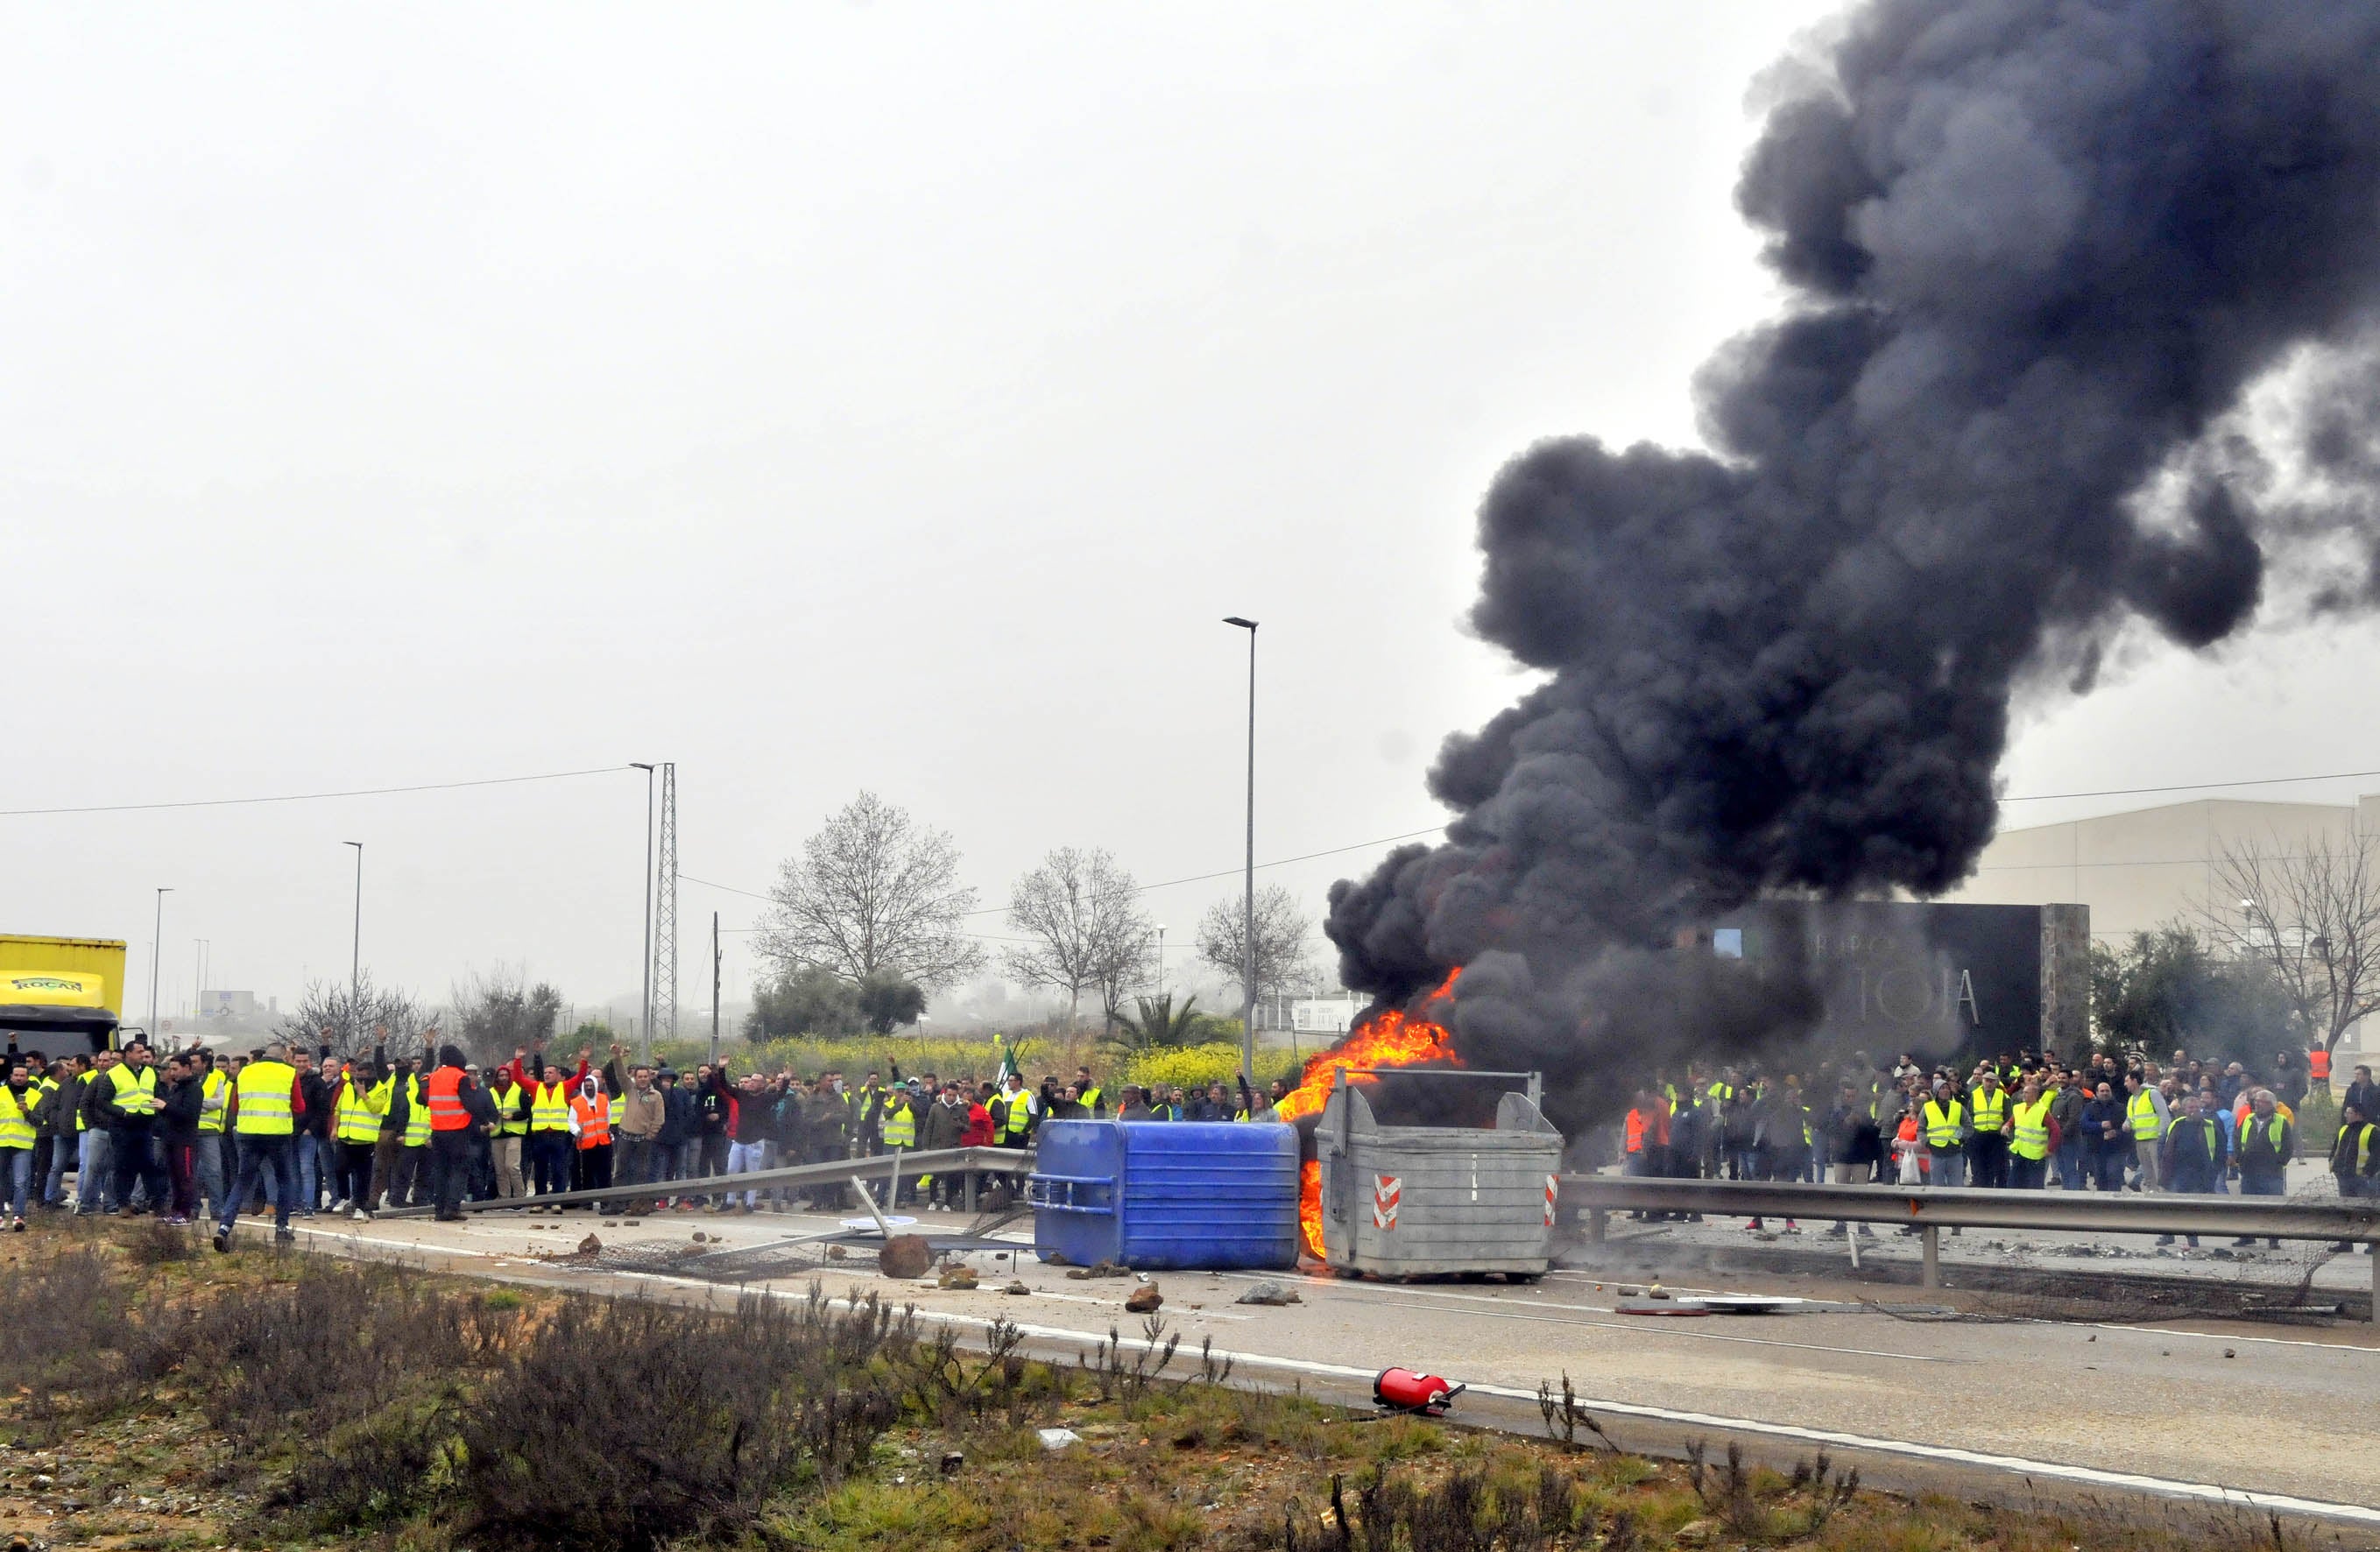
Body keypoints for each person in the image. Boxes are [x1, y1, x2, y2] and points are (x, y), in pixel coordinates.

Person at [215, 1042, 305, 1251]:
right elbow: (299, 1106)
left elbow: (235, 1105)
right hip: (278, 1135)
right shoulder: (288, 1072)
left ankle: (224, 1227)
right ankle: (281, 1227)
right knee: (284, 1180)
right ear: (283, 1056)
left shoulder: (246, 1072)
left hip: (248, 1133)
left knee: (242, 1181)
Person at [420, 1044, 490, 1222]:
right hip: (457, 1131)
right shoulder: (460, 1077)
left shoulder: (433, 1077)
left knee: (442, 1170)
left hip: (437, 1131)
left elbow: (421, 1099)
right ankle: (452, 1208)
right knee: (459, 1169)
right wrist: (484, 1121)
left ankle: (439, 1209)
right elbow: (469, 1103)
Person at [99, 1041, 169, 1217]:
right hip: (122, 1126)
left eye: (143, 1052)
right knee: (123, 1166)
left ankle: (158, 1203)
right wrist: (122, 1113)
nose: (142, 1055)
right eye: (138, 1052)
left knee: (148, 1165)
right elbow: (102, 1102)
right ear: (128, 1054)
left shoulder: (150, 1072)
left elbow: (156, 1095)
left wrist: (156, 1112)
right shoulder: (115, 1073)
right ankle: (123, 1204)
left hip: (144, 1125)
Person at [2232, 1090, 2293, 1249]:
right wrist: (2240, 1158)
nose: (2256, 1104)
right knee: (2248, 1206)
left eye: (2261, 1102)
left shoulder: (2281, 1121)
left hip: (2272, 1173)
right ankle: (2247, 1236)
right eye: (2256, 1101)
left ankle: (2273, 1239)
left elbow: (2288, 1146)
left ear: (2271, 1105)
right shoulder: (2248, 1119)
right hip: (2249, 1171)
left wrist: (2278, 1162)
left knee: (2272, 1207)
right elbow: (2237, 1138)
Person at [328, 1055, 384, 1220]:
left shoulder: (380, 1089)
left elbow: (376, 1108)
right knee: (339, 1168)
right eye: (357, 1075)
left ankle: (360, 1207)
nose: (360, 1079)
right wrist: (334, 1128)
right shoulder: (347, 1088)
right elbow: (338, 1109)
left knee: (363, 1176)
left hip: (365, 1140)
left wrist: (364, 1094)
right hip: (346, 1137)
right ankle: (345, 1198)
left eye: (364, 1075)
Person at [157, 1053, 202, 1225]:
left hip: (185, 1141)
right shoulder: (176, 1088)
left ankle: (185, 1213)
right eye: (171, 1069)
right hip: (171, 1138)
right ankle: (175, 1211)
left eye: (175, 1069)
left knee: (186, 1177)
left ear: (187, 1068)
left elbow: (189, 1115)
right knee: (174, 1177)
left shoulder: (194, 1089)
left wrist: (166, 1107)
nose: (172, 1073)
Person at [2328, 1101, 2376, 1252]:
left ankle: (2372, 1245)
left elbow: (2377, 1155)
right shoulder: (2344, 1129)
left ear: (2358, 1114)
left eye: (2349, 1112)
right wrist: (2333, 1165)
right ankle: (2346, 1244)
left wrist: (2368, 1172)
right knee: (2346, 1212)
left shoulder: (2372, 1131)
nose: (2346, 1115)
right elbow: (2336, 1148)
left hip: (2364, 1179)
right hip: (2344, 1177)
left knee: (2368, 1212)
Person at [0, 1062, 39, 1230]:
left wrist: (27, 1112)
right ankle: (0, 1216)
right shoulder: (0, 1093)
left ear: (27, 1077)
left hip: (23, 1145)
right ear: (11, 1077)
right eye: (16, 1075)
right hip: (1, 1143)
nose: (19, 1078)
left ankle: (19, 1217)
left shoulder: (36, 1096)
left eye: (22, 1075)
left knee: (20, 1182)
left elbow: (40, 1121)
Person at [484, 1062, 529, 1199]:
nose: (503, 1078)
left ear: (510, 1077)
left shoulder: (519, 1090)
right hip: (496, 1134)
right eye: (500, 1075)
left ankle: (519, 1197)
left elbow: (527, 1111)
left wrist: (513, 1116)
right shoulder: (490, 1092)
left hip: (514, 1133)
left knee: (512, 1167)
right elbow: (485, 1111)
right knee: (500, 1170)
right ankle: (504, 1197)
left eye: (505, 1075)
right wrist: (488, 1122)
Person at [2080, 1081, 2128, 1193]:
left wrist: (2116, 1133)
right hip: (2097, 1148)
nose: (2105, 1093)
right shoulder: (2089, 1107)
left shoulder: (2120, 1107)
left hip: (2116, 1149)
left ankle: (2116, 1201)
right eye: (2102, 1091)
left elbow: (2127, 1127)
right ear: (2096, 1093)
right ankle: (2102, 1203)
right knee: (2100, 1177)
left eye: (2107, 1091)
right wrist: (2099, 1125)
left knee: (2113, 1174)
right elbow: (2083, 1124)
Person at [2006, 1078, 2053, 1190]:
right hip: (2019, 1151)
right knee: (2013, 1183)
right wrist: (2007, 1125)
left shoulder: (2042, 1111)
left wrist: (2050, 1149)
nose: (2023, 1094)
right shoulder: (2019, 1108)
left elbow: (2055, 1130)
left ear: (2034, 1095)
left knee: (2035, 1186)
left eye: (2026, 1092)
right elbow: (2012, 1120)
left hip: (2035, 1154)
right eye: (2023, 1092)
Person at [2123, 1071, 2167, 1194]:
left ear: (2135, 1081)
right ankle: (2152, 1194)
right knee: (2147, 1172)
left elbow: (2164, 1115)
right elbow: (2130, 1118)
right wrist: (2126, 1124)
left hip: (2154, 1139)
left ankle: (2163, 1195)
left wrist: (2161, 1135)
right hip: (2140, 1139)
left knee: (2157, 1170)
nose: (2125, 1084)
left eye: (2127, 1081)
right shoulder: (2132, 1099)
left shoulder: (2151, 1094)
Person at [1967, 1069, 2010, 1189]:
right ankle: (1982, 1187)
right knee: (1980, 1166)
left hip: (1996, 1136)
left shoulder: (2002, 1095)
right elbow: (1970, 1113)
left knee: (1997, 1166)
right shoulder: (1975, 1094)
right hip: (1979, 1135)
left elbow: (2008, 1114)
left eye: (1992, 1081)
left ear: (1996, 1083)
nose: (1989, 1083)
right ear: (1983, 1081)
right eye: (1987, 1080)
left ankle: (1995, 1189)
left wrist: (2005, 1128)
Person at [1920, 1080, 1967, 1189]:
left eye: (1947, 1088)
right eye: (1942, 1088)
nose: (1946, 1090)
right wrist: (1927, 1143)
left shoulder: (1958, 1107)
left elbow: (1968, 1125)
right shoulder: (1927, 1107)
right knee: (1936, 1187)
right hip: (1936, 1152)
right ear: (1936, 1091)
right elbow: (1921, 1129)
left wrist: (1960, 1139)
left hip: (1954, 1152)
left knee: (1956, 1186)